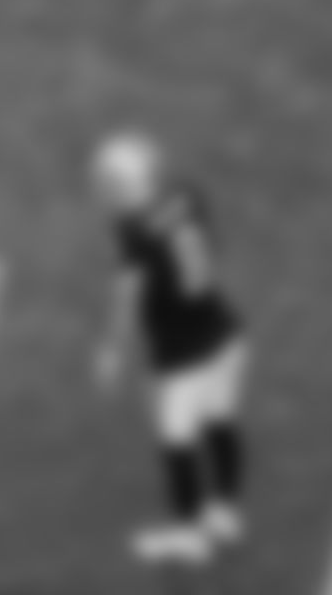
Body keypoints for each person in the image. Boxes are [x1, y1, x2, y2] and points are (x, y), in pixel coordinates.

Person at [91, 131, 250, 567]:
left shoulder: (132, 232)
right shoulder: (186, 193)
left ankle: (189, 534)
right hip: (224, 331)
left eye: (110, 183)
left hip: (182, 355)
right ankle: (225, 511)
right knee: (220, 421)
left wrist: (111, 350)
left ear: (126, 184)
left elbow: (127, 295)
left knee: (176, 441)